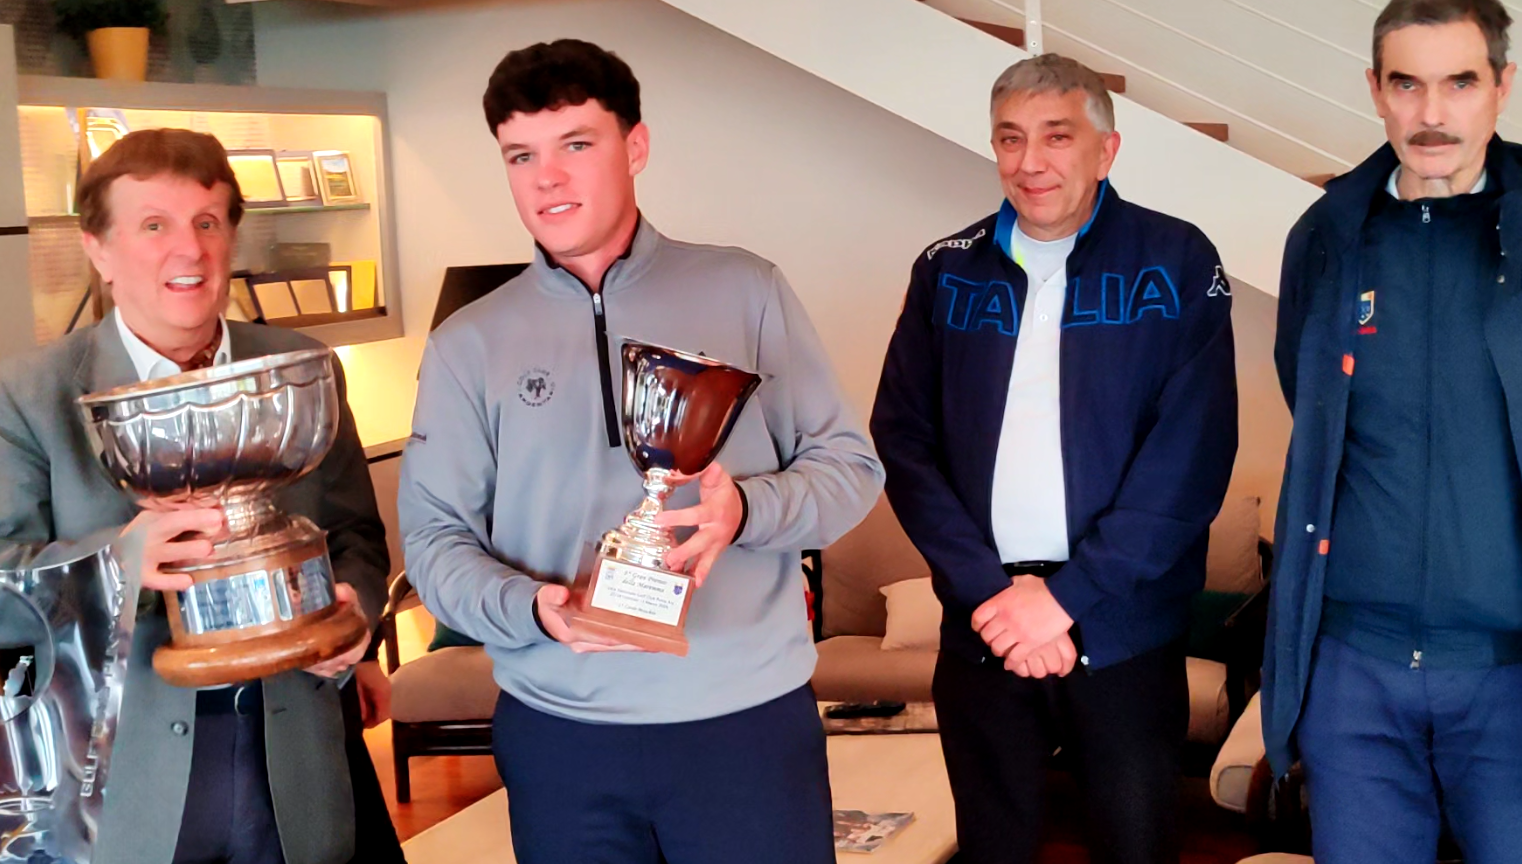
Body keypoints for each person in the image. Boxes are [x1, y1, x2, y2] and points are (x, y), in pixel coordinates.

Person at [397, 38, 883, 864]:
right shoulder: (466, 344)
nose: (547, 178)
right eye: (521, 155)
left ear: (636, 146)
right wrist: (534, 609)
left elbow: (850, 471)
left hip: (744, 725)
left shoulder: (746, 289)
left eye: (576, 144)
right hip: (561, 736)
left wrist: (745, 512)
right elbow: (435, 542)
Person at [0, 127, 402, 864]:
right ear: (98, 250)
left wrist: (353, 615)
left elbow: (355, 536)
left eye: (207, 222)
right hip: (124, 797)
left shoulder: (304, 366)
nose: (188, 250)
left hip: (296, 768)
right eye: (154, 226)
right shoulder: (27, 397)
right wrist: (114, 562)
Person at [870, 53, 1238, 864]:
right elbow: (902, 438)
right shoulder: (945, 269)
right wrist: (992, 596)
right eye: (1010, 138)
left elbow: (1191, 456)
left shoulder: (1177, 260)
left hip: (1124, 630)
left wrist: (1067, 599)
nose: (1029, 162)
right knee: (990, 848)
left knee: (1135, 849)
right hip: (984, 627)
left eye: (1056, 136)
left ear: (1106, 150)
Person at [1263, 1, 1522, 860]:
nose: (1431, 113)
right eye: (1407, 85)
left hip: (1509, 675)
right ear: (1375, 90)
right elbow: (1309, 401)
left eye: (1460, 83)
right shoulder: (1327, 237)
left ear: (1502, 86)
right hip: (1356, 675)